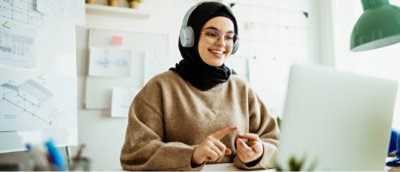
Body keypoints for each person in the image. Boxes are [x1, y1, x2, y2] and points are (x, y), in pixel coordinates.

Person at [120, 1, 279, 171]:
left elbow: (278, 144)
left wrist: (260, 153)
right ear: (189, 37)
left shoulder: (242, 88)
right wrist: (193, 155)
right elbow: (135, 153)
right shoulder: (160, 87)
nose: (221, 43)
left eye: (229, 37)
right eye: (212, 34)